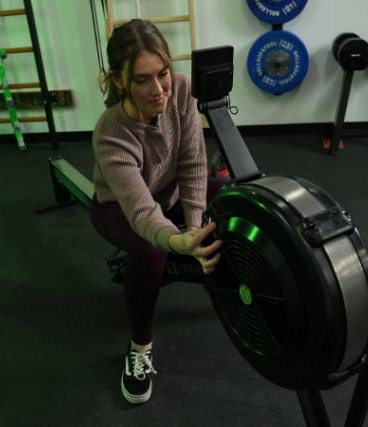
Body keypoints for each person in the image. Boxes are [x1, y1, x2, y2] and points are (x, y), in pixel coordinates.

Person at [89, 19, 225, 404]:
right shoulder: (111, 131)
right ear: (119, 81)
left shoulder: (181, 89)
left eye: (162, 74)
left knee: (234, 199)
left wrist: (194, 228)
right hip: (118, 208)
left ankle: (231, 288)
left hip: (170, 192)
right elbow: (142, 210)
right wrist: (175, 239)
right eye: (142, 80)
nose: (158, 89)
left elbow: (194, 164)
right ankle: (140, 348)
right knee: (152, 250)